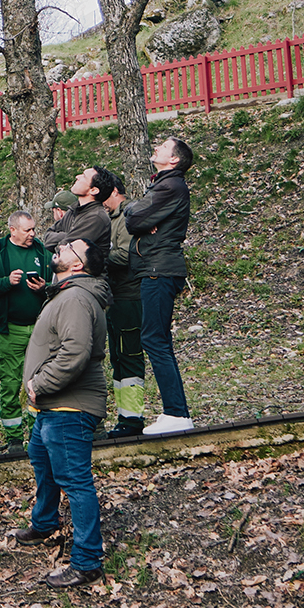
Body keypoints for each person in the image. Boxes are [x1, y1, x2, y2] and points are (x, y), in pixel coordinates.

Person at [15, 237, 111, 588]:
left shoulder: (75, 298)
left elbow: (75, 352)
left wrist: (40, 383)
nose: (62, 246)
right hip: (53, 406)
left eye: (71, 247)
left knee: (75, 480)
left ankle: (87, 561)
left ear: (78, 265)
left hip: (70, 404)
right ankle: (45, 523)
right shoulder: (65, 293)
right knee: (42, 461)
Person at [126, 135, 195, 436]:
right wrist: (137, 212)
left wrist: (138, 215)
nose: (156, 147)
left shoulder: (170, 186)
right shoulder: (163, 185)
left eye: (164, 147)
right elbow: (135, 215)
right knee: (157, 339)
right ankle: (176, 412)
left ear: (174, 159)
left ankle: (177, 413)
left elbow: (134, 221)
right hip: (156, 269)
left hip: (158, 270)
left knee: (154, 339)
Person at [0, 209, 51, 446]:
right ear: (12, 230)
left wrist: (44, 287)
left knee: (40, 382)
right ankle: (14, 438)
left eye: (33, 229)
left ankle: (38, 435)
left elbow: (57, 284)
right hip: (10, 329)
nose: (32, 234)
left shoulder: (41, 251)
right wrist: (7, 282)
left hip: (39, 328)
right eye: (27, 230)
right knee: (10, 382)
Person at [101, 173, 146, 437]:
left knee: (129, 357)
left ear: (116, 192)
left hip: (129, 297)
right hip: (114, 299)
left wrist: (96, 255)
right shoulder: (111, 218)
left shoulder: (127, 217)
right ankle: (125, 417)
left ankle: (133, 419)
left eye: (105, 195)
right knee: (117, 358)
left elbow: (126, 254)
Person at [42, 167, 114, 260]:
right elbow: (47, 237)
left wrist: (63, 239)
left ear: (93, 190)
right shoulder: (73, 210)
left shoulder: (96, 218)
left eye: (84, 176)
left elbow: (65, 250)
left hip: (83, 269)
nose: (77, 177)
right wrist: (66, 236)